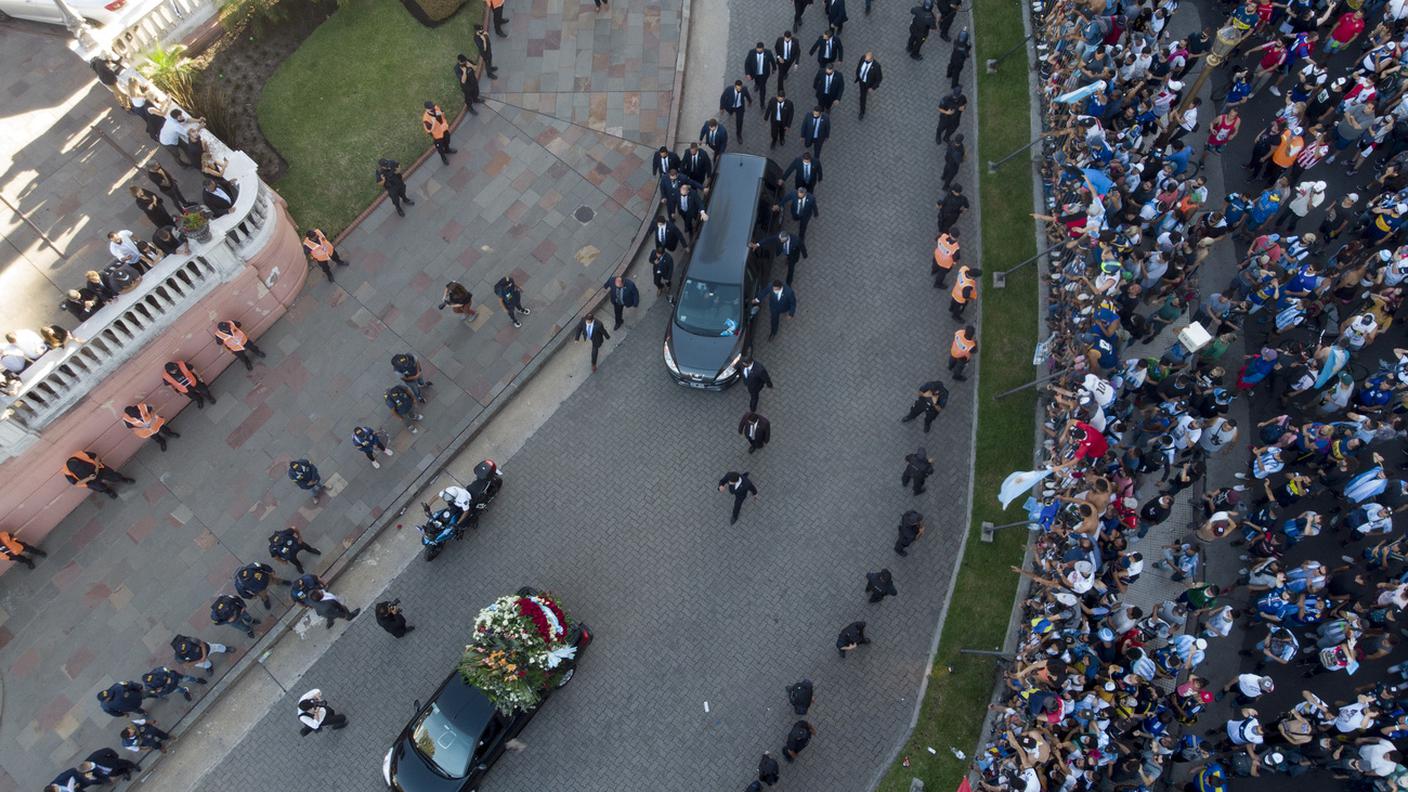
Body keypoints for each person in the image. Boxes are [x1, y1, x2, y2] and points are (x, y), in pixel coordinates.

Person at [61, 451, 133, 499]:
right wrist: (89, 478)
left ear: (77, 460)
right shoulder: (66, 472)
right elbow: (76, 483)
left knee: (114, 476)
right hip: (88, 480)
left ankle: (122, 479)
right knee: (99, 487)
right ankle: (108, 491)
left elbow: (95, 457)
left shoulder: (80, 454)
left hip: (98, 469)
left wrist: (96, 469)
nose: (78, 468)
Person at [854, 51, 882, 118]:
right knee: (862, 95)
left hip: (869, 83)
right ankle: (863, 99)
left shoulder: (876, 66)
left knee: (863, 98)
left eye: (867, 60)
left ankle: (862, 112)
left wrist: (873, 87)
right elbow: (859, 66)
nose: (865, 60)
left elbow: (879, 79)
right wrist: (857, 74)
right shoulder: (863, 58)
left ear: (871, 59)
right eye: (865, 59)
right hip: (861, 81)